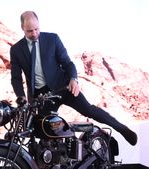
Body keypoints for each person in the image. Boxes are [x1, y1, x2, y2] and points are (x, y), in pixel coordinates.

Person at [9, 11, 137, 146]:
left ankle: (123, 129)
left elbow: (67, 63)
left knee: (89, 110)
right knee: (43, 133)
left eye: (36, 29)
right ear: (22, 28)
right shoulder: (16, 50)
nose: (34, 34)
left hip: (64, 87)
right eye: (30, 31)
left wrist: (73, 79)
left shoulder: (52, 39)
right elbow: (16, 78)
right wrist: (21, 98)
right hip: (42, 97)